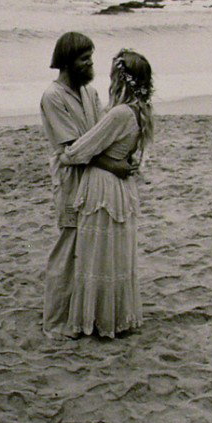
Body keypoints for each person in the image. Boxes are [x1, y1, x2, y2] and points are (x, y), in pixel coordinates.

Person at [40, 32, 135, 338]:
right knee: (68, 249)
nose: (90, 64)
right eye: (84, 59)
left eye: (91, 57)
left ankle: (84, 316)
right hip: (71, 178)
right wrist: (114, 165)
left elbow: (98, 140)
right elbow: (71, 150)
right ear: (67, 62)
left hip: (93, 180)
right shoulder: (53, 97)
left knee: (88, 248)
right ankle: (56, 321)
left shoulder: (89, 93)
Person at [59, 48, 154, 338]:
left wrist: (71, 153)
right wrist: (112, 162)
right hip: (120, 188)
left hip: (103, 188)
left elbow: (76, 153)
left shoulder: (120, 113)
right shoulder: (140, 110)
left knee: (96, 254)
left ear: (121, 79)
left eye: (114, 74)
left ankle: (97, 320)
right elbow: (124, 156)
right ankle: (114, 316)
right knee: (115, 254)